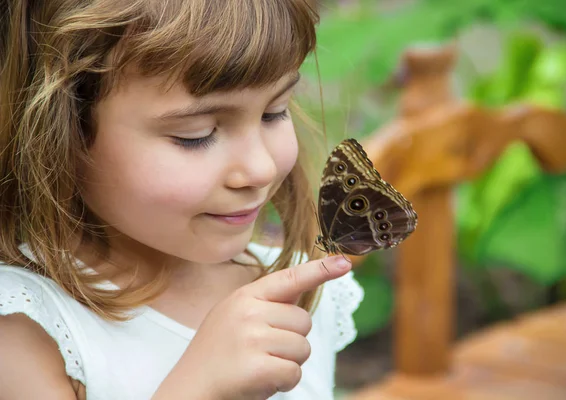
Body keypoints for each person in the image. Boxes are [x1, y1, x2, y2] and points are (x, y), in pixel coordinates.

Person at [0, 0, 364, 399]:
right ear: (58, 132)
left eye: (274, 112)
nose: (260, 169)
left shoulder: (298, 289)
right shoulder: (27, 329)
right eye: (197, 134)